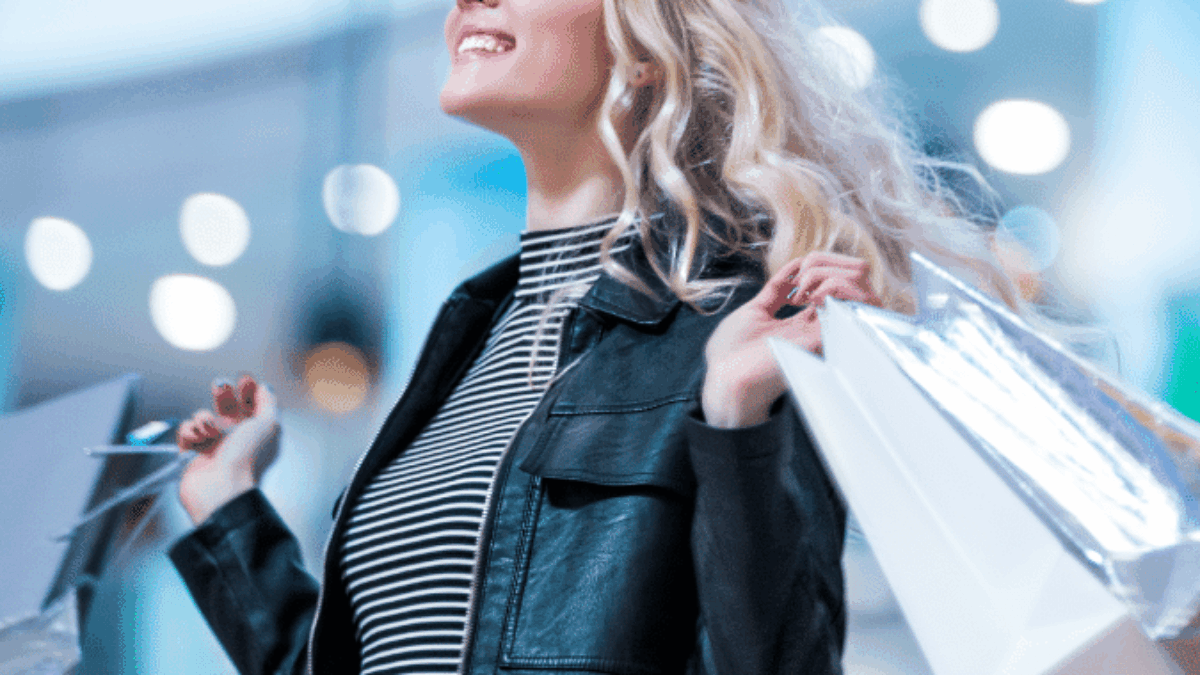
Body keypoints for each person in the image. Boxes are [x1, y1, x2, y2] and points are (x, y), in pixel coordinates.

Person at [169, 0, 1020, 673]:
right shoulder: (466, 337)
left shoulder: (739, 332)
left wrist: (735, 423)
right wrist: (231, 512)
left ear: (647, 44)